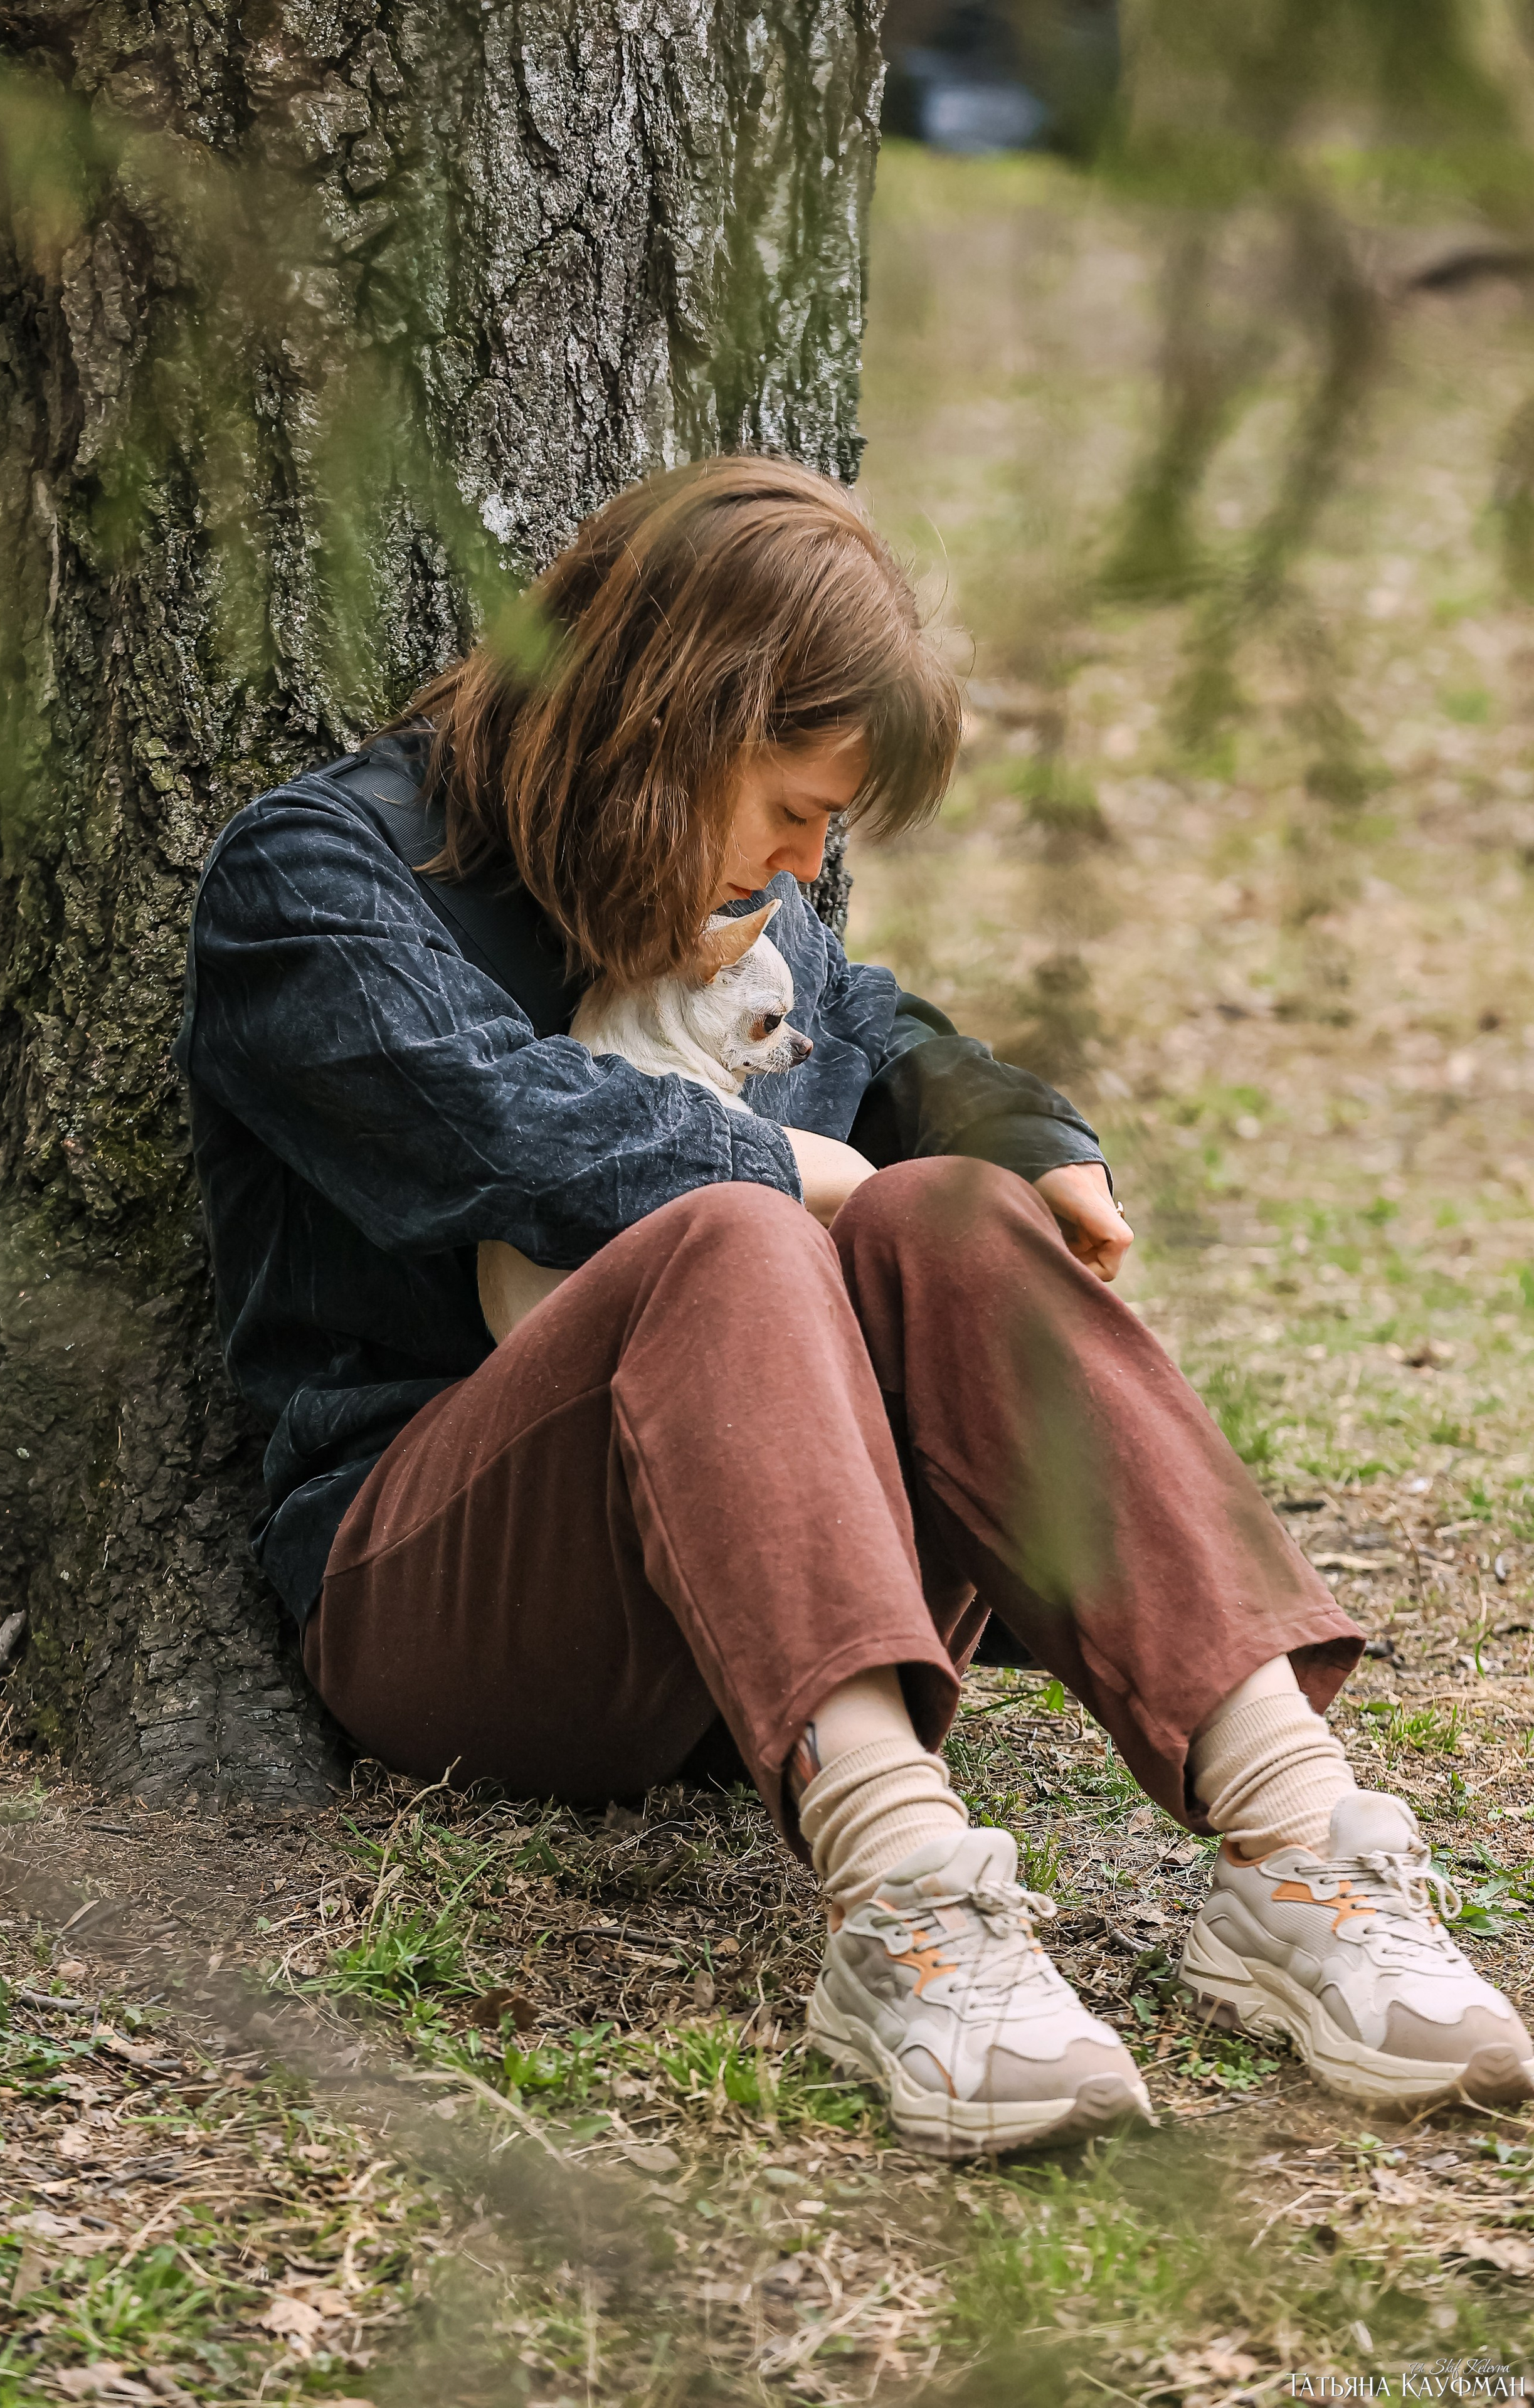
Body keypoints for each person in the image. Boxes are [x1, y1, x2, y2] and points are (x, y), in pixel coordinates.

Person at [174, 456, 1532, 2156]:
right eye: (794, 806)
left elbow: (887, 1036)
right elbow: (507, 1135)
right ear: (663, 725)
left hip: (793, 1608)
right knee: (736, 1229)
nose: (813, 864)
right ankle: (906, 1901)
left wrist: (1028, 1148)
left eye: (835, 829)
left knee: (946, 1206)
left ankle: (1302, 1845)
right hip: (463, 1598)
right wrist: (781, 1170)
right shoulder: (317, 880)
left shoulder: (759, 897)